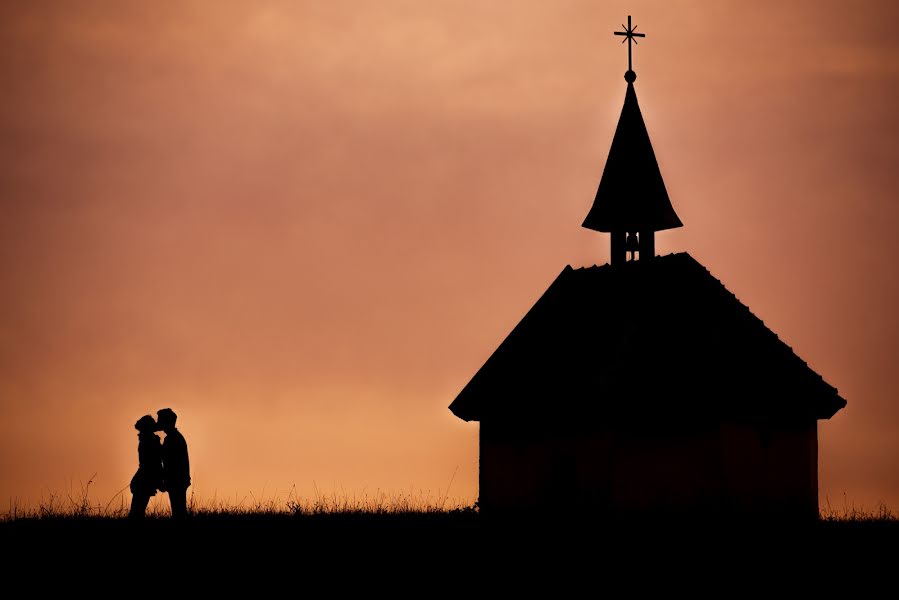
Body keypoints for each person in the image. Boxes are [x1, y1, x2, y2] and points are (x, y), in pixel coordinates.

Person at [157, 407, 191, 519]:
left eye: (160, 420)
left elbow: (170, 462)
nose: (158, 422)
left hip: (176, 480)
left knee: (178, 513)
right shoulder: (175, 437)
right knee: (179, 511)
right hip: (179, 480)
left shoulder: (173, 439)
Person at [129, 415, 162, 519]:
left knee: (136, 512)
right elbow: (155, 463)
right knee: (138, 511)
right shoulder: (151, 441)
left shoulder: (147, 441)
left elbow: (152, 463)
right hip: (145, 478)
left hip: (143, 478)